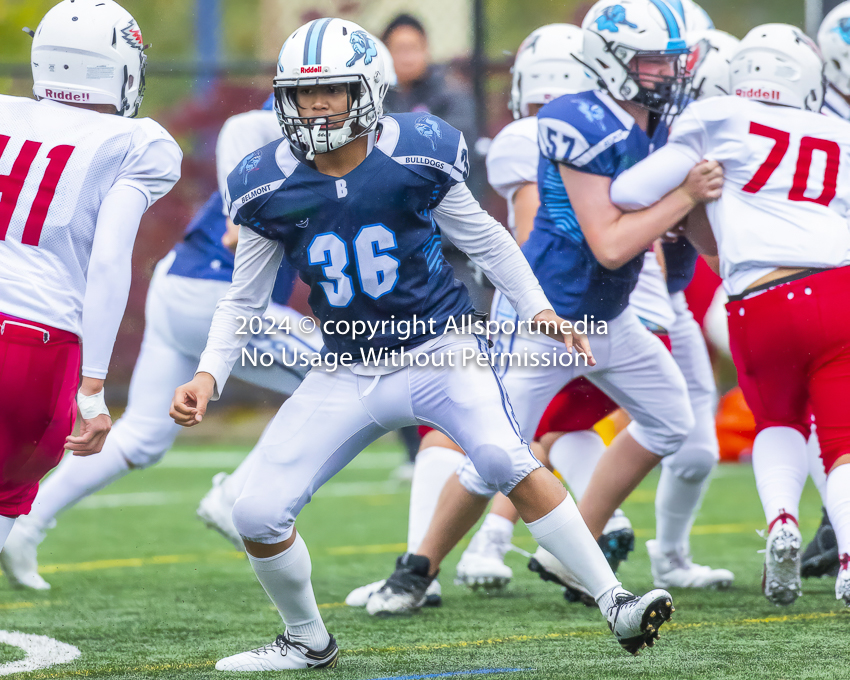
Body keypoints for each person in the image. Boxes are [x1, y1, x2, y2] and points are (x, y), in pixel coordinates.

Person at [171, 17, 683, 670]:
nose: (316, 105)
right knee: (255, 512)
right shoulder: (264, 181)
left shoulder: (416, 152)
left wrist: (540, 310)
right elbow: (243, 299)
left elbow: (489, 240)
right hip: (347, 367)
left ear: (370, 91)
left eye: (331, 90)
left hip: (438, 350)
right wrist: (208, 377)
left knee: (504, 456)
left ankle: (617, 603)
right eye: (303, 94)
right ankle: (307, 639)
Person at [362, 0, 725, 617]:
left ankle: (570, 545)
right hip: (548, 320)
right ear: (609, 62)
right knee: (493, 458)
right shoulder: (573, 119)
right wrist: (685, 194)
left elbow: (688, 225)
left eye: (669, 59)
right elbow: (610, 246)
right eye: (650, 60)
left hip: (610, 318)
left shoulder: (663, 121)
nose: (666, 72)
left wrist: (739, 264)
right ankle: (416, 570)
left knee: (672, 419)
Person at [0, 97, 323, 590]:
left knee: (143, 434)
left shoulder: (314, 124)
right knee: (347, 372)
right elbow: (240, 126)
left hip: (179, 282)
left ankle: (28, 524)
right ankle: (236, 492)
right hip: (213, 291)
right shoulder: (296, 118)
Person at [611, 23, 850, 607]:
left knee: (776, 423)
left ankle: (781, 521)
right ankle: (848, 559)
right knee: (842, 440)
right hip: (839, 291)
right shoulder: (840, 131)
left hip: (759, 297)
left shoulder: (716, 116)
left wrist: (692, 191)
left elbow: (627, 192)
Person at [0, 0, 181, 553]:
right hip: (35, 344)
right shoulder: (136, 143)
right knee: (5, 494)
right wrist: (95, 388)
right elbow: (107, 262)